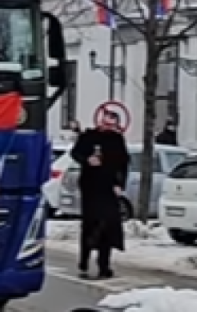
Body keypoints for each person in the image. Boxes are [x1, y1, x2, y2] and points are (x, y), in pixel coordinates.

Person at [69, 110, 129, 280]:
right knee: (90, 223)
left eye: (112, 122)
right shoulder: (89, 136)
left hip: (108, 188)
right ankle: (84, 259)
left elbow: (123, 164)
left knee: (109, 224)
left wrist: (119, 184)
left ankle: (104, 265)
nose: (107, 125)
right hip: (90, 186)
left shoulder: (117, 140)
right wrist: (87, 159)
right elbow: (75, 153)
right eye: (105, 121)